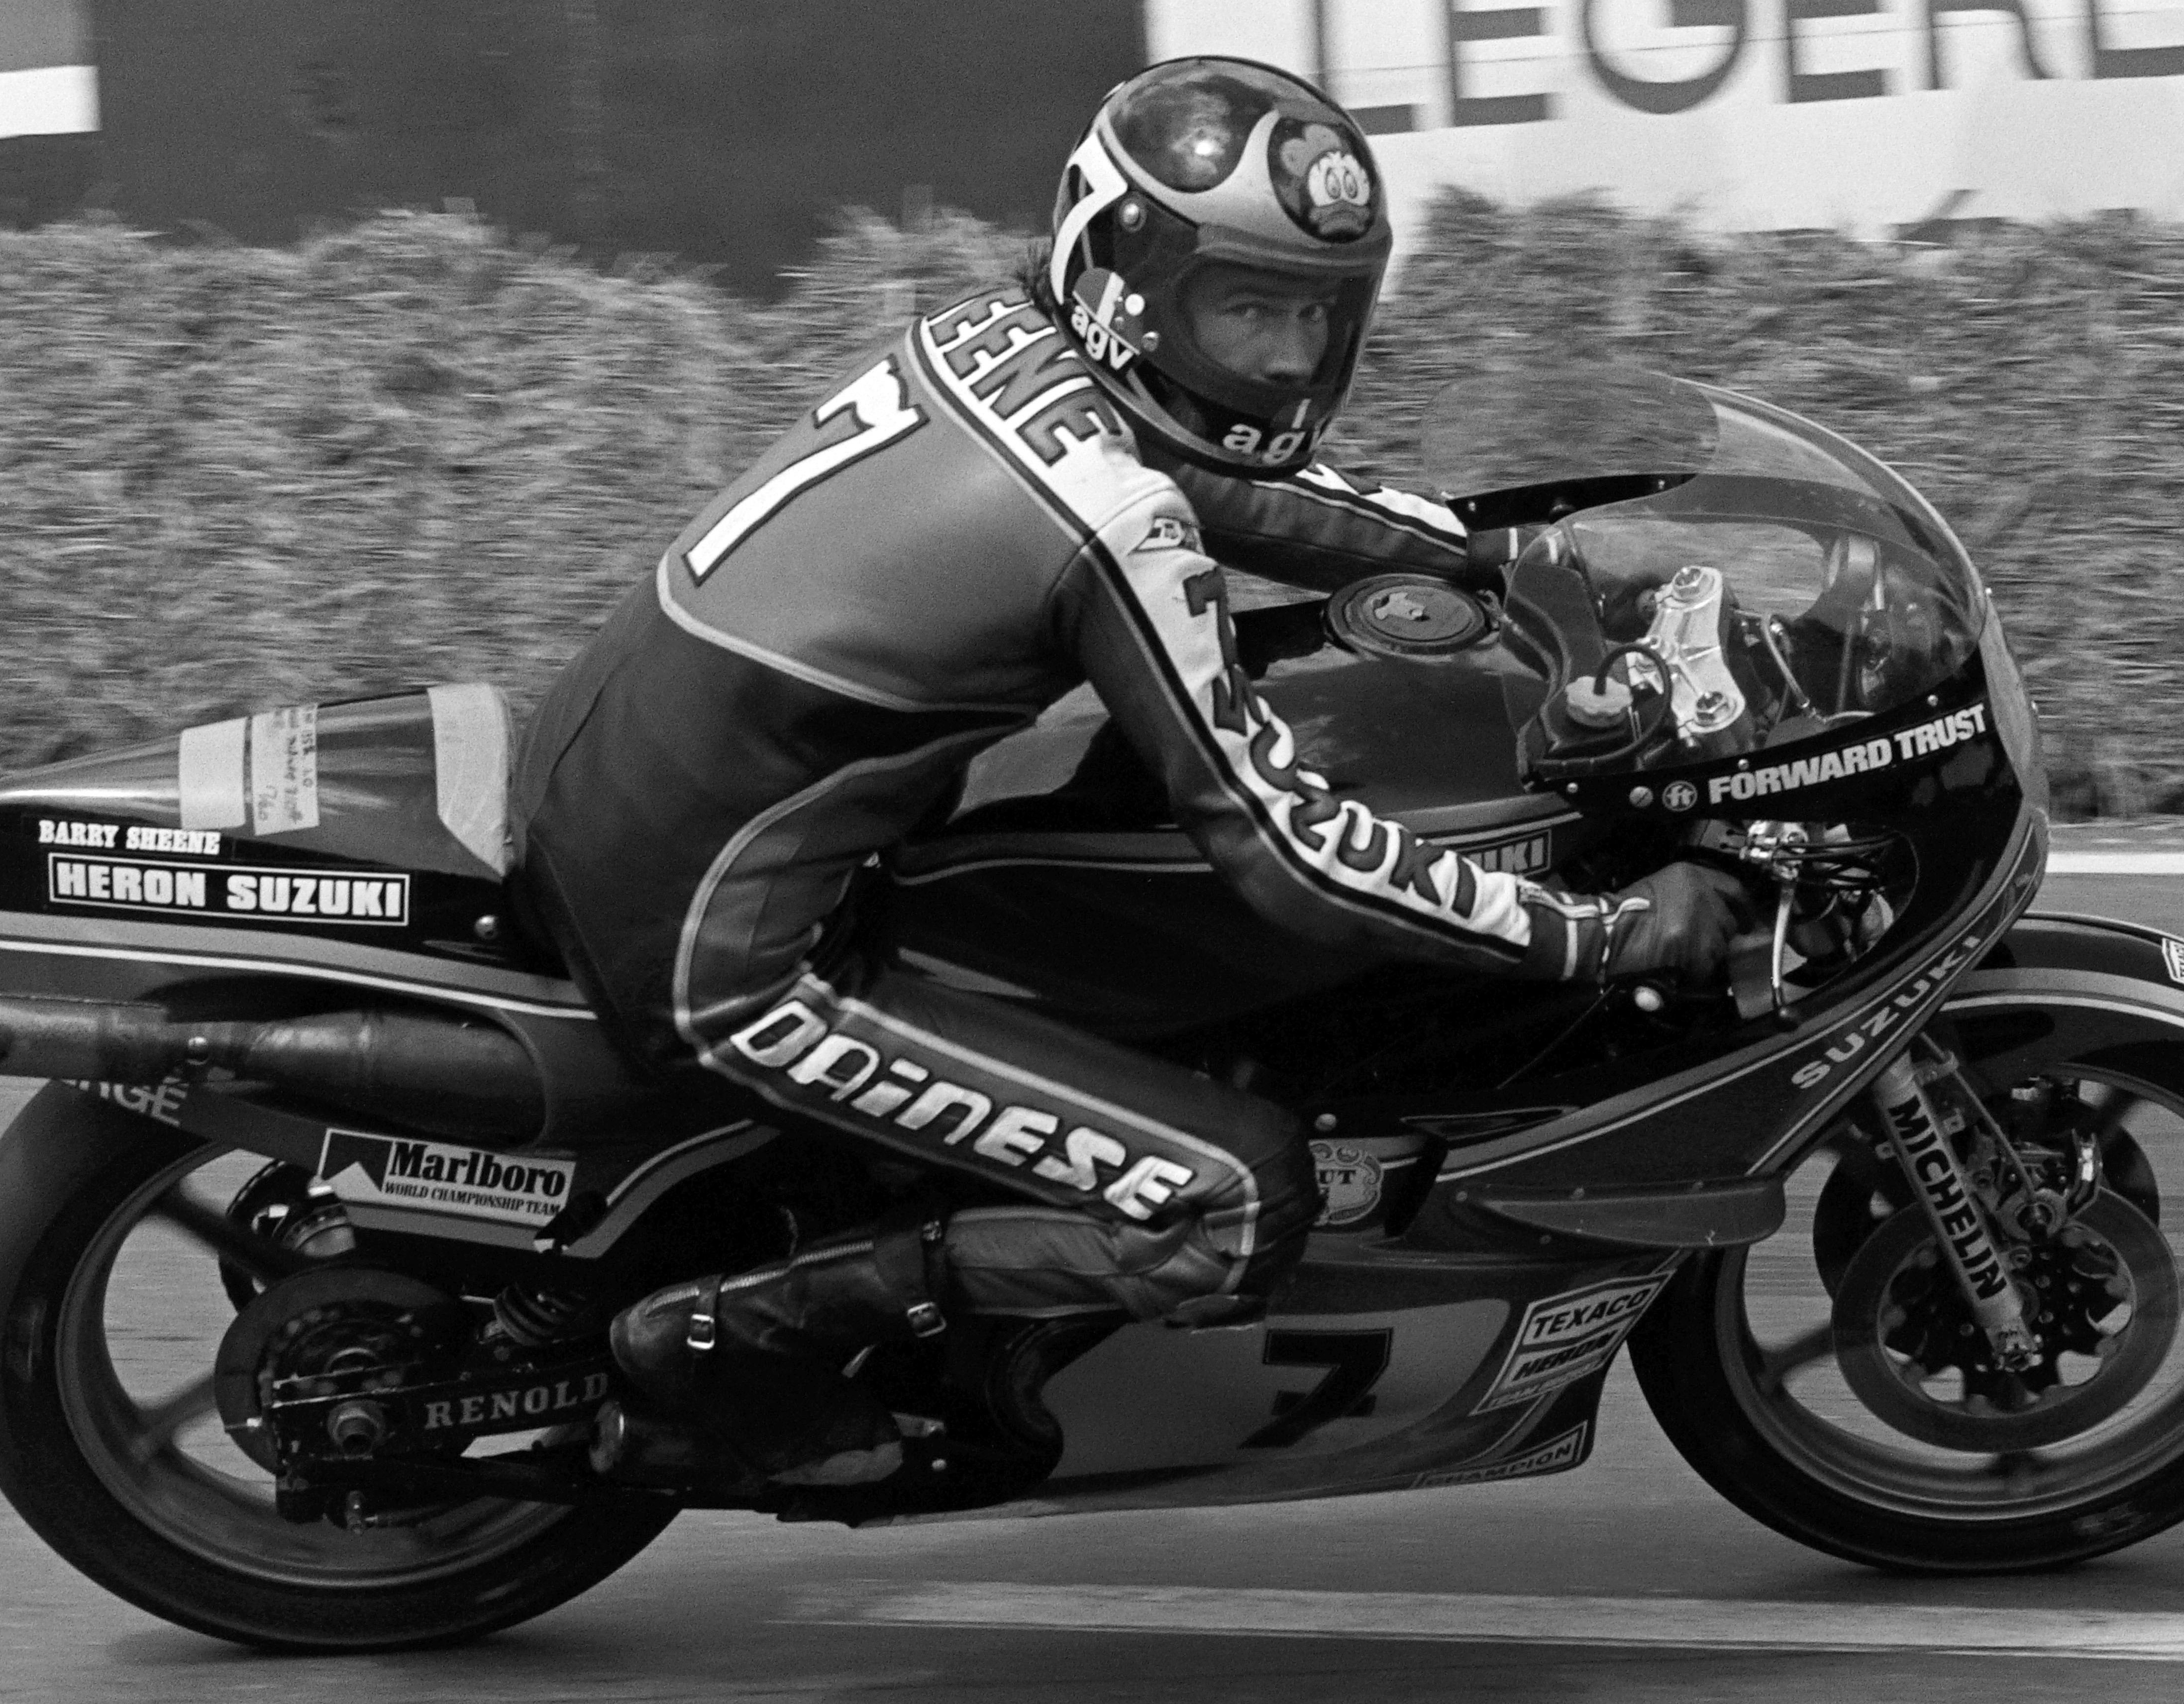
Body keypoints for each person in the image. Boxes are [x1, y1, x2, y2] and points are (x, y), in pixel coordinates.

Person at [511, 56, 1752, 1488]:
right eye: (1248, 307)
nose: (1287, 357)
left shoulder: (1012, 339)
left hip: (640, 793)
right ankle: (726, 1342)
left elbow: (1234, 486)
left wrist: (1505, 555)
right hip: (718, 961)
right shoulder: (1110, 518)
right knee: (1234, 1196)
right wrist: (1598, 933)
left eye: (1316, 312)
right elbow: (1289, 854)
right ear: (1130, 278)